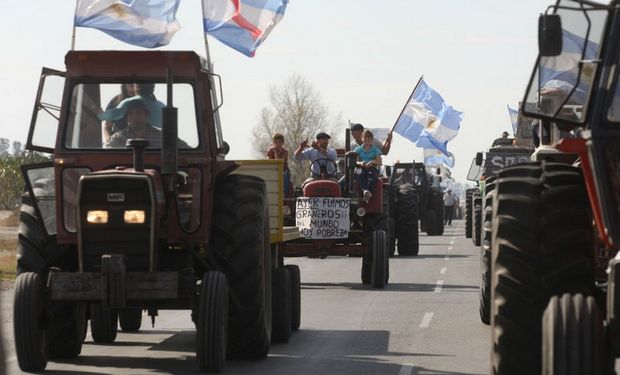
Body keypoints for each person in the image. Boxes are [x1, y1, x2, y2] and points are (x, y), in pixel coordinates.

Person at [353, 129, 382, 202]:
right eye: (365, 137)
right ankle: (366, 191)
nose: (367, 139)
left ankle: (366, 192)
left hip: (372, 168)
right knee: (359, 172)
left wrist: (372, 162)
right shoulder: (358, 149)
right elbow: (354, 161)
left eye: (369, 138)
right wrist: (361, 163)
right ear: (362, 139)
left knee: (371, 175)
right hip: (361, 168)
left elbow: (379, 162)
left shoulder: (376, 150)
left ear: (372, 139)